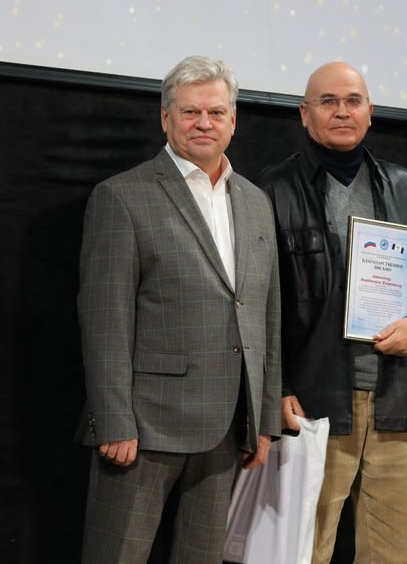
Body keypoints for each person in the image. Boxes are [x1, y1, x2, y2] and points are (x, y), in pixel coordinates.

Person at [256, 61, 407, 564]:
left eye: (353, 101)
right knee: (304, 551)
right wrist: (277, 387)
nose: (342, 111)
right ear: (305, 114)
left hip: (396, 402)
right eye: (328, 101)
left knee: (393, 555)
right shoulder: (273, 189)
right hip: (314, 405)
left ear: (370, 111)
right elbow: (258, 301)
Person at [75, 55, 281, 564]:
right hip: (144, 428)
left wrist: (263, 418)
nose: (204, 123)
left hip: (228, 426)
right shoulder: (122, 196)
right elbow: (104, 318)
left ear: (233, 120)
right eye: (190, 112)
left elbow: (266, 317)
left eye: (216, 112)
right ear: (165, 118)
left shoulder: (257, 202)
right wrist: (113, 420)